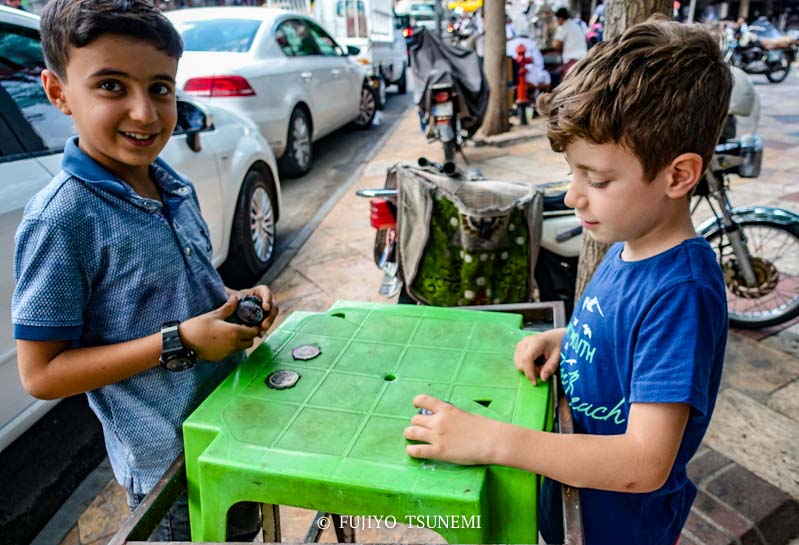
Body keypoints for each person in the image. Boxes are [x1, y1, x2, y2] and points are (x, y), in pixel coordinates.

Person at [403, 17, 731, 545]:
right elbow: (623, 337)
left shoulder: (682, 293)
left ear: (678, 176)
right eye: (574, 173)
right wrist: (569, 341)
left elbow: (642, 462)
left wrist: (491, 440)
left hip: (618, 528)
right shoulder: (630, 243)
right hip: (573, 501)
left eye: (596, 179)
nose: (575, 196)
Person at [11, 0, 278, 540]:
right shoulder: (62, 218)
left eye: (160, 87)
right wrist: (179, 341)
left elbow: (182, 293)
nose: (145, 113)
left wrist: (233, 301)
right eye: (111, 86)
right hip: (172, 476)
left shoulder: (169, 183)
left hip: (234, 431)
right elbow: (40, 374)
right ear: (59, 92)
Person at [552, 6, 587, 76]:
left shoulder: (564, 27)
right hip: (583, 59)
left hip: (571, 61)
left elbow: (555, 45)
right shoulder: (575, 25)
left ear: (561, 18)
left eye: (557, 19)